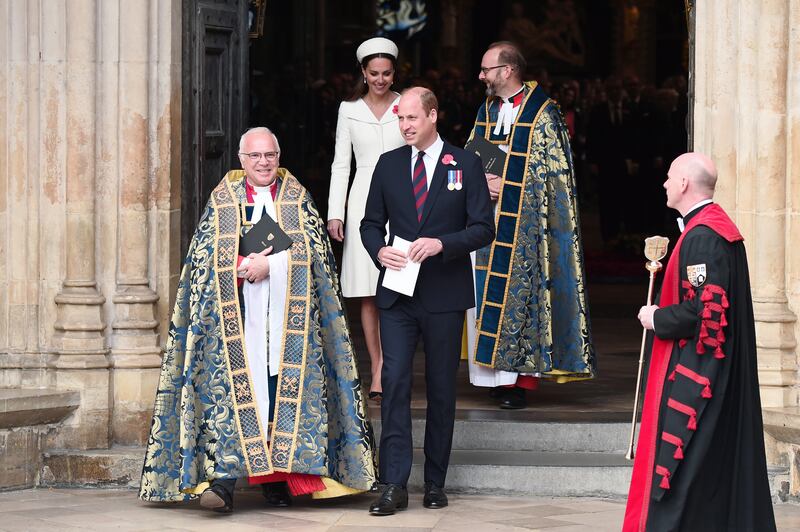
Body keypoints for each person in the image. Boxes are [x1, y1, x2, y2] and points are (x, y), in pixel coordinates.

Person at [139, 127, 376, 513]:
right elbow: (202, 260)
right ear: (241, 160)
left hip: (286, 323)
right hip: (236, 322)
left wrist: (273, 265)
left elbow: (317, 261)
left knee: (280, 394)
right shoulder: (223, 200)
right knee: (232, 396)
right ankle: (223, 483)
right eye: (255, 157)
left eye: (270, 155)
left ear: (278, 157)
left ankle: (280, 481)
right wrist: (239, 265)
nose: (263, 163)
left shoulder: (298, 200)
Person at [360, 87, 494, 515]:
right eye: (400, 119)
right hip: (398, 294)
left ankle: (435, 481)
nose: (405, 126)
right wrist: (378, 250)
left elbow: (482, 229)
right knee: (395, 384)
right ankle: (393, 483)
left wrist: (442, 244)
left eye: (412, 118)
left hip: (444, 293)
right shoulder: (388, 164)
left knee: (440, 388)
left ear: (433, 116)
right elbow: (369, 224)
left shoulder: (465, 163)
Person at [624, 153, 775, 531]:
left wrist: (655, 317)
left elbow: (704, 314)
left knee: (684, 467)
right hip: (715, 374)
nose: (664, 183)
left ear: (685, 184)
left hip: (700, 377)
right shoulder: (710, 229)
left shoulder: (705, 238)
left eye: (670, 177)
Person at [466, 41, 596, 410]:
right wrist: (479, 184)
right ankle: (494, 376)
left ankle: (519, 381)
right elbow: (471, 154)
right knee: (483, 297)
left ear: (507, 71)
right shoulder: (486, 110)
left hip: (526, 226)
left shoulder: (543, 113)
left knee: (522, 298)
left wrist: (504, 184)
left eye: (486, 69)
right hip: (486, 220)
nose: (481, 76)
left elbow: (553, 177)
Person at [328, 37, 406, 403]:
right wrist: (335, 212)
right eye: (373, 73)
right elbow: (341, 163)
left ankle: (396, 364)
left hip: (403, 201)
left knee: (401, 287)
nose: (380, 79)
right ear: (363, 72)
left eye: (386, 73)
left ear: (394, 72)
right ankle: (377, 367)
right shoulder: (348, 109)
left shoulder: (407, 105)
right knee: (369, 292)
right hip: (361, 201)